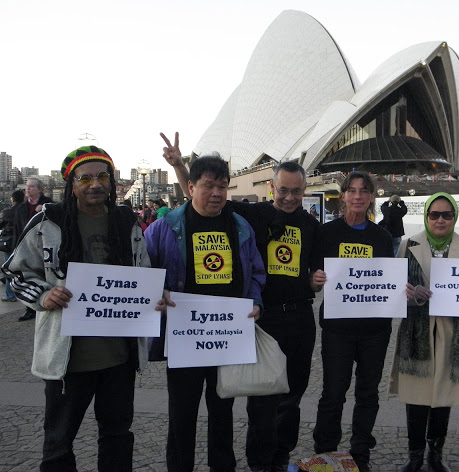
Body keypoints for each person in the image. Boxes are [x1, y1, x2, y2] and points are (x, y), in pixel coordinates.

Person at [161, 132, 320, 472]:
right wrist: (179, 166)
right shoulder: (179, 225)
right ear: (272, 189)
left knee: (238, 408)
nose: (290, 197)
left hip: (252, 328)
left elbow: (265, 271)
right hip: (205, 330)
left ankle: (251, 464)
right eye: (283, 190)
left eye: (296, 190)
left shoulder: (286, 224)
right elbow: (145, 263)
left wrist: (302, 284)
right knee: (190, 413)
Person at [2, 146, 153, 471]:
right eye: (85, 178)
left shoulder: (128, 222)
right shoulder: (48, 222)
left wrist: (155, 294)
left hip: (119, 358)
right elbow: (15, 272)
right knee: (58, 444)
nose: (94, 184)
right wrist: (44, 296)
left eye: (102, 177)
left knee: (116, 439)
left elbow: (145, 274)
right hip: (66, 361)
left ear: (111, 182)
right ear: (72, 183)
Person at [145, 153, 266, 472]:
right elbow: (140, 270)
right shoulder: (164, 228)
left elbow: (256, 271)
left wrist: (255, 301)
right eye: (208, 185)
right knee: (181, 415)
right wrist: (158, 292)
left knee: (223, 414)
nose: (216, 193)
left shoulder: (240, 227)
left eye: (223, 186)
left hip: (226, 338)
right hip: (185, 338)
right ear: (190, 186)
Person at [310, 171, 394, 472]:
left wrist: (400, 290)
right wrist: (315, 280)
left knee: (367, 394)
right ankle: (326, 452)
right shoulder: (326, 233)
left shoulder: (382, 237)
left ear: (372, 197)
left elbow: (388, 280)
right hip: (338, 330)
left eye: (364, 191)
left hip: (375, 331)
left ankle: (360, 452)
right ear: (343, 195)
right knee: (333, 393)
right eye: (352, 190)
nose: (357, 196)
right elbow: (313, 277)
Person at [389, 192, 459, 472]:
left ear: (454, 218)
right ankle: (415, 455)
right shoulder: (408, 244)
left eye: (446, 215)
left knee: (443, 397)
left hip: (452, 332)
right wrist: (412, 293)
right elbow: (395, 286)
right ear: (426, 216)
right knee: (416, 394)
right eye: (434, 214)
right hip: (417, 331)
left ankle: (435, 455)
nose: (440, 220)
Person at [14, 177, 53, 320]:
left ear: (39, 189)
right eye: (26, 187)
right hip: (27, 247)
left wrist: (44, 209)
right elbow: (18, 229)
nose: (27, 189)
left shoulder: (49, 205)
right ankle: (30, 308)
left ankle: (46, 301)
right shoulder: (21, 209)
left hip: (45, 246)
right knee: (29, 276)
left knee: (45, 276)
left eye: (31, 187)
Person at [0, 190, 25, 302]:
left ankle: (10, 295)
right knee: (22, 270)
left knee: (8, 270)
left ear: (13, 199)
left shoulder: (8, 212)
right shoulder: (25, 211)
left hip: (10, 243)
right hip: (23, 243)